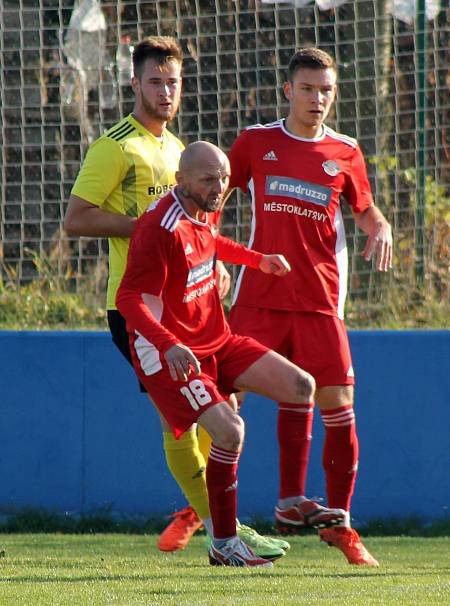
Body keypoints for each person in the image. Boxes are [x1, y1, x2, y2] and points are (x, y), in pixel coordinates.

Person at [63, 36, 286, 558]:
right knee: (179, 418)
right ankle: (218, 527)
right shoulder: (117, 146)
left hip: (197, 308)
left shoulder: (180, 150)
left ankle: (212, 518)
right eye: (155, 81)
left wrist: (216, 266)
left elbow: (199, 223)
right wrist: (140, 224)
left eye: (173, 82)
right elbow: (76, 219)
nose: (165, 91)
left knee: (220, 407)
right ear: (135, 83)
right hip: (143, 313)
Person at [225, 47, 392, 566]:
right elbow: (214, 200)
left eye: (326, 90)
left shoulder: (345, 151)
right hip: (257, 298)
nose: (317, 99)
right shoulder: (255, 143)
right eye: (307, 89)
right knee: (222, 404)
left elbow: (365, 210)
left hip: (321, 303)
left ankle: (339, 523)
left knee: (338, 406)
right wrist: (210, 258)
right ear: (287, 91)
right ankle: (203, 512)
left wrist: (380, 226)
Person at [116, 141, 314, 567]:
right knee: (230, 432)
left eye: (223, 177)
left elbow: (210, 244)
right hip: (166, 353)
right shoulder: (159, 227)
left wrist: (258, 260)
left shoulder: (203, 207)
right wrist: (169, 344)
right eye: (209, 179)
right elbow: (128, 297)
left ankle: (292, 500)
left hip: (216, 340)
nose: (220, 187)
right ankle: (224, 544)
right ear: (179, 181)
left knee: (301, 386)